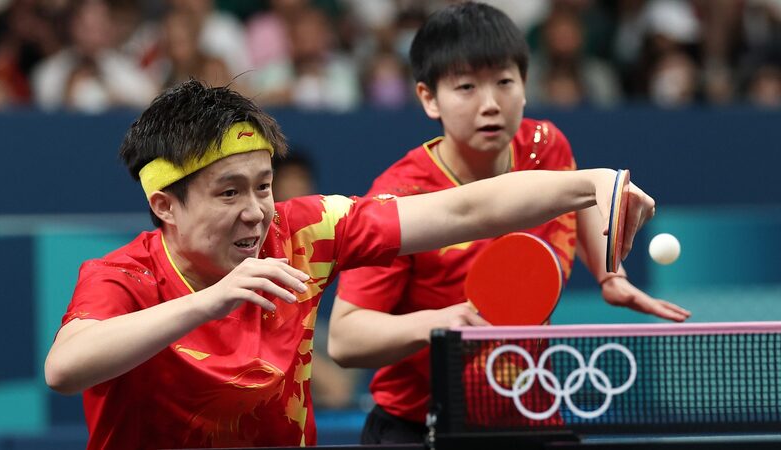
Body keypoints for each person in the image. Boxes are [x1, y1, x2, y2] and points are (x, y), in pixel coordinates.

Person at [44, 78, 656, 450]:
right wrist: (211, 300)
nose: (257, 211)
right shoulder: (122, 275)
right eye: (230, 193)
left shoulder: (305, 230)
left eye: (264, 186)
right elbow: (65, 368)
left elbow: (466, 210)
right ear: (165, 206)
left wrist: (589, 184)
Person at [328, 2, 691, 445]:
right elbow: (345, 339)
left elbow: (578, 202)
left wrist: (608, 274)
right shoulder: (397, 199)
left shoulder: (545, 147)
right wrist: (441, 324)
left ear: (524, 85)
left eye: (504, 82)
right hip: (420, 423)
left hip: (526, 409)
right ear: (428, 98)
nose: (490, 105)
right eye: (465, 87)